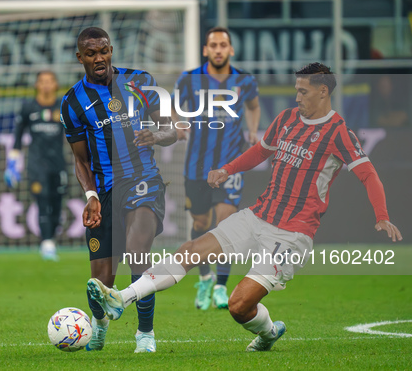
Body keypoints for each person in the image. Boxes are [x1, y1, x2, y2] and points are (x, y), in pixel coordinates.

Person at [87, 62, 402, 352]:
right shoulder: (287, 119)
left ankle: (267, 332)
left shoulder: (339, 132)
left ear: (323, 91)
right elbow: (260, 152)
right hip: (258, 216)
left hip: (292, 235)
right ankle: (121, 298)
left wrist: (382, 216)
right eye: (296, 90)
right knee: (190, 249)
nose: (297, 97)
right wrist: (227, 169)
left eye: (303, 91)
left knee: (239, 306)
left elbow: (368, 174)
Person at [61, 27, 176, 353]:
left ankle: (145, 334)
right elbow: (80, 160)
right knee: (101, 281)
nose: (99, 59)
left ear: (111, 49)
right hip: (106, 192)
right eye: (91, 54)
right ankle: (99, 326)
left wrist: (157, 135)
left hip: (144, 181)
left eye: (104, 51)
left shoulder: (139, 81)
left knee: (138, 251)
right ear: (80, 57)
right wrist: (92, 197)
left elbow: (172, 127)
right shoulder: (72, 102)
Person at [174, 26, 260, 311]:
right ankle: (205, 278)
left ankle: (222, 286)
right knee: (201, 224)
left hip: (230, 166)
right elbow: (173, 106)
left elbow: (253, 105)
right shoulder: (189, 80)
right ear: (205, 50)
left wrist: (252, 130)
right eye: (214, 45)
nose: (219, 49)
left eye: (224, 44)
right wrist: (177, 122)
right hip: (196, 167)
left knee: (225, 223)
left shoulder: (244, 80)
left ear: (231, 50)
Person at [5, 70, 66, 261]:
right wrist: (12, 163)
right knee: (42, 200)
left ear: (56, 84)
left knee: (57, 204)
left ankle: (51, 240)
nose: (46, 85)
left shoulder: (63, 108)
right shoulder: (28, 108)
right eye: (42, 81)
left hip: (59, 164)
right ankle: (46, 243)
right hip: (36, 165)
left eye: (50, 81)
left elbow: (77, 136)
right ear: (37, 85)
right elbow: (17, 138)